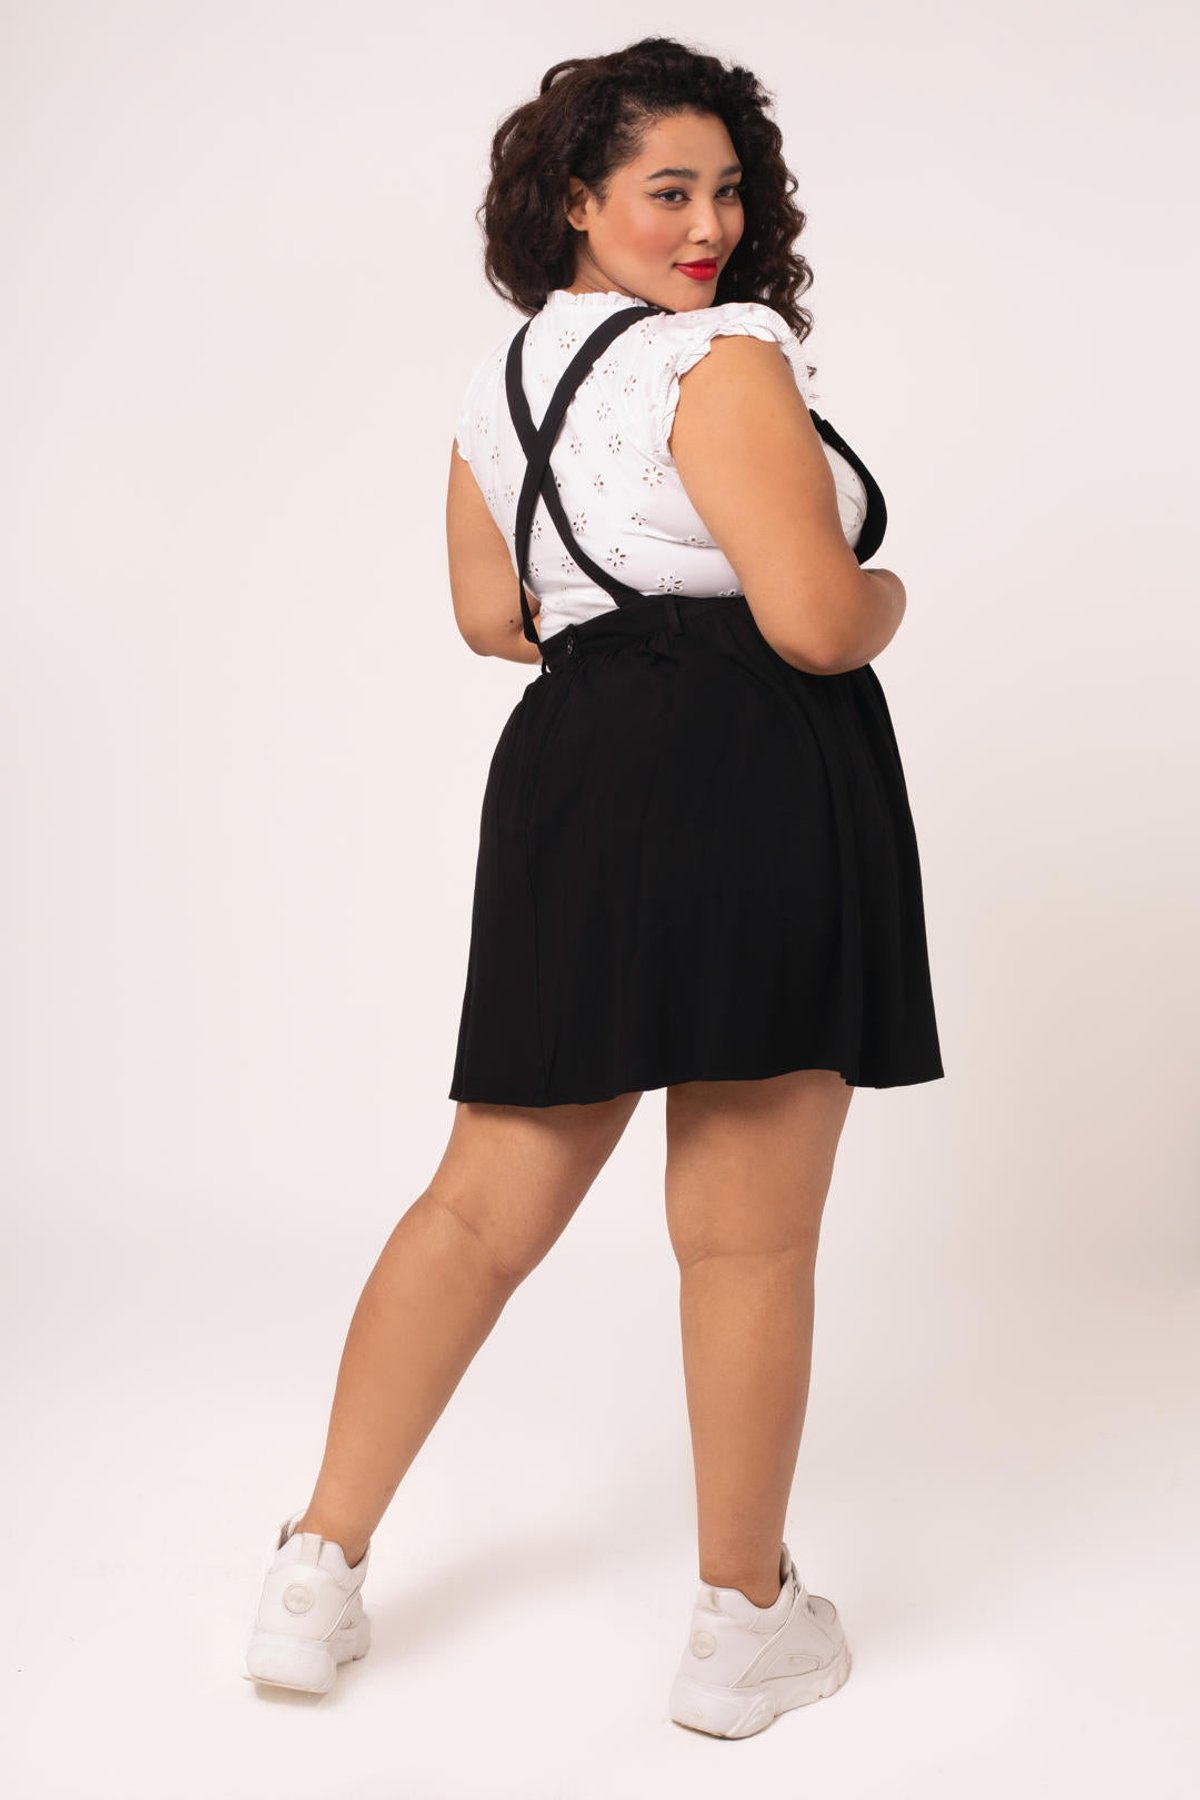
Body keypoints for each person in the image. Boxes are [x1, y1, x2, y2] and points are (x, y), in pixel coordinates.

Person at [242, 35, 944, 1740]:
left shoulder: (501, 386)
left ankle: (313, 1573)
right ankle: (743, 1625)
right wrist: (890, 594)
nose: (709, 227)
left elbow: (493, 616)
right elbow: (811, 617)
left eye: (729, 192)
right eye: (666, 191)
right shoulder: (725, 356)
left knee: (480, 1201)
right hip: (754, 762)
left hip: (575, 764)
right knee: (746, 1232)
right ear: (576, 199)